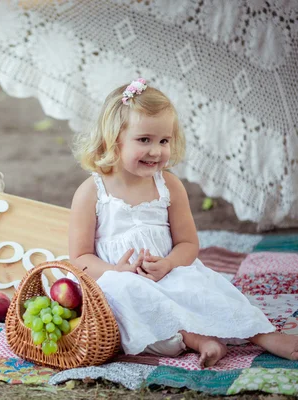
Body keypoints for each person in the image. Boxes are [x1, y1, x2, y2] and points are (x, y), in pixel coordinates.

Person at [68, 78, 298, 368]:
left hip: (168, 271)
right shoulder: (92, 192)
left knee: (206, 289)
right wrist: (117, 270)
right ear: (113, 139)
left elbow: (188, 244)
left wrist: (168, 265)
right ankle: (198, 339)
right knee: (127, 296)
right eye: (144, 140)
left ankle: (262, 334)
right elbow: (79, 258)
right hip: (119, 281)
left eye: (164, 140)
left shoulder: (169, 187)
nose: (156, 151)